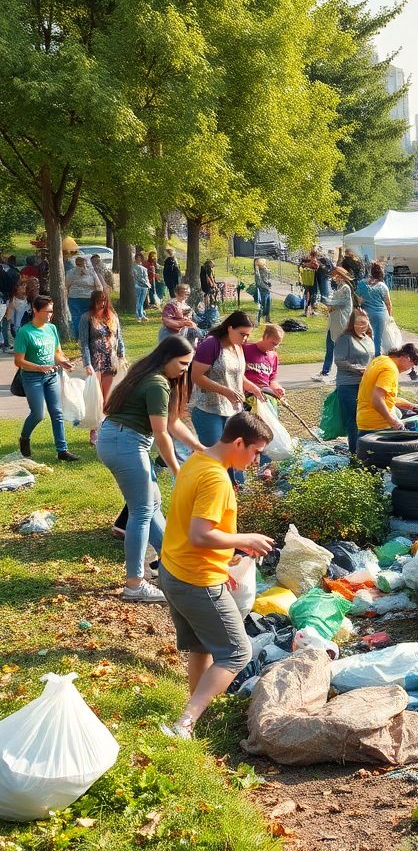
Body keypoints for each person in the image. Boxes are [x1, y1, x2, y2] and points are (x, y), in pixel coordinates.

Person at [158, 411, 275, 738]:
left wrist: (223, 562)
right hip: (196, 580)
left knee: (202, 646)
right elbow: (199, 534)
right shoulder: (216, 479)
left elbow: (186, 527)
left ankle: (195, 716)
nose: (256, 460)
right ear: (238, 442)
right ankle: (185, 722)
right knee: (238, 651)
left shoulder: (197, 461)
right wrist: (244, 539)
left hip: (175, 570)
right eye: (254, 451)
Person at [97, 335, 206, 602]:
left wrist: (200, 448)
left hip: (117, 439)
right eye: (182, 363)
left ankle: (172, 562)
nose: (185, 369)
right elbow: (161, 434)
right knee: (142, 511)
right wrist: (177, 470)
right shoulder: (157, 383)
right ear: (167, 358)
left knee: (153, 503)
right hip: (126, 443)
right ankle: (135, 584)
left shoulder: (149, 373)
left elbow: (173, 423)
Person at [189, 311, 266, 481]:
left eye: (248, 335)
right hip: (208, 410)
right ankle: (214, 487)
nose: (245, 339)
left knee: (236, 453)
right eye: (242, 334)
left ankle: (237, 491)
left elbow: (237, 374)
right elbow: (196, 376)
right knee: (216, 457)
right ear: (230, 328)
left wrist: (252, 386)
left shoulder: (237, 346)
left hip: (232, 410)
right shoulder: (211, 344)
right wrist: (225, 391)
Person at [13, 296, 79, 463]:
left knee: (57, 413)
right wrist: (38, 367)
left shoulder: (52, 329)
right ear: (35, 310)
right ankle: (24, 438)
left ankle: (62, 451)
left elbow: (57, 352)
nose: (51, 314)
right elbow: (18, 361)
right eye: (47, 311)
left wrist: (63, 361)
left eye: (52, 310)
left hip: (51, 376)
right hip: (32, 377)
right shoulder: (25, 332)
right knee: (38, 414)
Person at [79, 289, 126, 442]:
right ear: (93, 302)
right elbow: (84, 342)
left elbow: (119, 337)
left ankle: (105, 429)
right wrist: (87, 363)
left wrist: (121, 354)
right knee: (96, 397)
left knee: (106, 398)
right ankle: (94, 430)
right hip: (95, 360)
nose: (102, 304)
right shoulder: (86, 318)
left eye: (104, 301)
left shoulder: (112, 316)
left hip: (110, 359)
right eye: (99, 301)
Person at [355, 342, 418, 435]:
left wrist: (409, 405)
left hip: (364, 420)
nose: (409, 369)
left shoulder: (381, 359)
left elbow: (385, 396)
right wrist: (393, 421)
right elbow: (377, 399)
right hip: (378, 425)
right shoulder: (390, 369)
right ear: (406, 357)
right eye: (412, 365)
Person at [334, 308, 375, 452]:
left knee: (365, 417)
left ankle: (366, 449)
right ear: (351, 324)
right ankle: (354, 451)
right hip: (348, 384)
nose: (361, 326)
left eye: (364, 323)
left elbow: (372, 359)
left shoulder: (368, 338)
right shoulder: (345, 338)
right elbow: (339, 361)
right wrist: (357, 369)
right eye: (358, 323)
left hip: (365, 383)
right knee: (354, 419)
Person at [313, 265, 354, 383]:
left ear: (340, 276)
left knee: (340, 351)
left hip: (341, 323)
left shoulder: (345, 288)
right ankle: (325, 371)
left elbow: (340, 303)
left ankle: (340, 374)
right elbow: (334, 304)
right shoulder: (339, 288)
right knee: (329, 348)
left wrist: (326, 301)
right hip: (333, 323)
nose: (333, 278)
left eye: (335, 275)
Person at [355, 262, 392, 357]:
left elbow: (358, 298)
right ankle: (377, 356)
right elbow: (388, 303)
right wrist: (390, 316)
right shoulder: (382, 286)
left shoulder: (362, 283)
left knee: (365, 335)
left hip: (365, 313)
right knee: (378, 338)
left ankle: (365, 355)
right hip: (379, 313)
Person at [243, 323, 285, 398]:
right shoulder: (246, 349)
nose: (275, 347)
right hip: (247, 391)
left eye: (277, 344)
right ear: (266, 336)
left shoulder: (273, 356)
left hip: (264, 392)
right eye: (273, 343)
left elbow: (271, 380)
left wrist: (277, 388)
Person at [65, 255, 102, 335]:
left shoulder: (91, 272)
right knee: (77, 317)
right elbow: (67, 285)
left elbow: (99, 286)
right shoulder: (71, 272)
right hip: (75, 298)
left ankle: (85, 334)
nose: (80, 263)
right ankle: (79, 335)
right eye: (78, 261)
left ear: (86, 262)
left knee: (85, 317)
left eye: (82, 261)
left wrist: (98, 296)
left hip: (87, 298)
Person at [3, 279, 30, 351]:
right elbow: (8, 318)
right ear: (17, 288)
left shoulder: (28, 300)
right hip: (15, 327)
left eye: (25, 285)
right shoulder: (12, 301)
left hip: (25, 326)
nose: (24, 287)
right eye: (22, 285)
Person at [130, 252, 150, 322]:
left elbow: (146, 277)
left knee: (141, 301)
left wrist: (148, 284)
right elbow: (135, 276)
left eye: (140, 258)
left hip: (145, 286)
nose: (139, 259)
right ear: (135, 259)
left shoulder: (143, 267)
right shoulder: (133, 267)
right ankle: (138, 316)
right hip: (138, 285)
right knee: (138, 301)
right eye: (137, 258)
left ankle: (141, 315)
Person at [253, 257, 273, 325]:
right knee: (262, 305)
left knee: (268, 305)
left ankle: (267, 319)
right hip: (262, 290)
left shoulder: (265, 270)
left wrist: (269, 283)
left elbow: (269, 277)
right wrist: (256, 268)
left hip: (267, 290)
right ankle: (257, 321)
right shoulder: (258, 271)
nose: (265, 266)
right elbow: (258, 280)